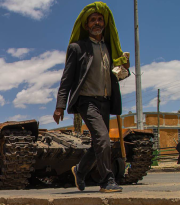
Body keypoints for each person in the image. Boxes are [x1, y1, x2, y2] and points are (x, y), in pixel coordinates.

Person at [53, 2, 130, 193]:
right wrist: (60, 105)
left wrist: (125, 68)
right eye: (93, 20)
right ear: (86, 25)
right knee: (103, 139)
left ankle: (79, 171)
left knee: (99, 143)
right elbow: (67, 78)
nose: (97, 23)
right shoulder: (77, 48)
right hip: (87, 101)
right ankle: (107, 181)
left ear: (104, 23)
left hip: (105, 101)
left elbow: (118, 75)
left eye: (99, 19)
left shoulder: (110, 49)